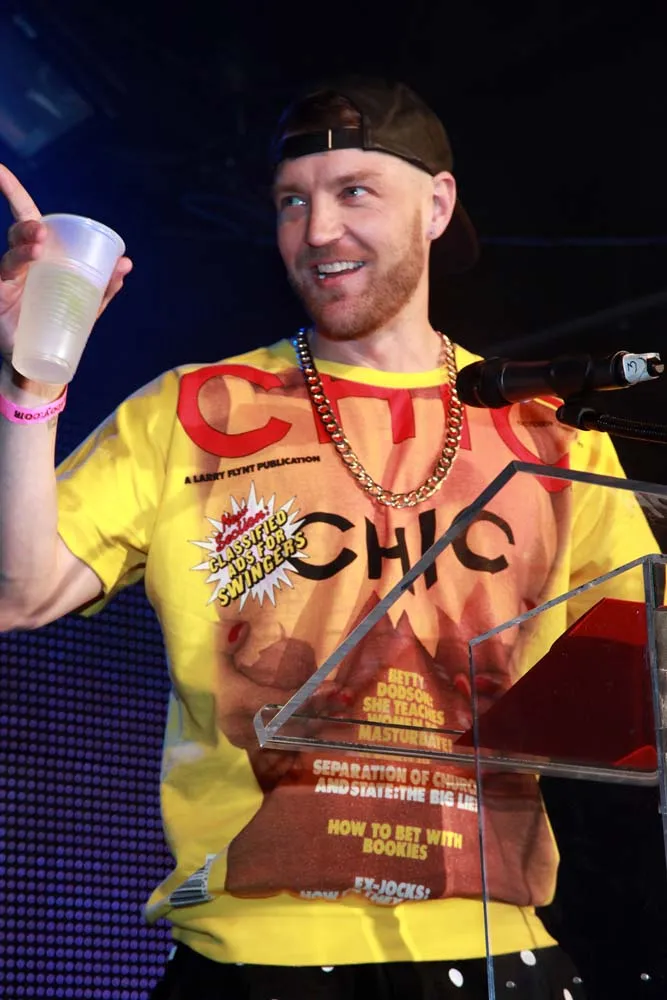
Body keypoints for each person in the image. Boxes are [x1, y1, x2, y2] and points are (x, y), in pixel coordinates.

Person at [0, 77, 658, 1000]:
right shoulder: (191, 409)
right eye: (292, 201)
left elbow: (643, 678)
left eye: (354, 192)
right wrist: (29, 382)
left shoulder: (551, 432)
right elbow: (19, 592)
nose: (317, 231)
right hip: (255, 948)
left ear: (436, 206)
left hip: (493, 936)